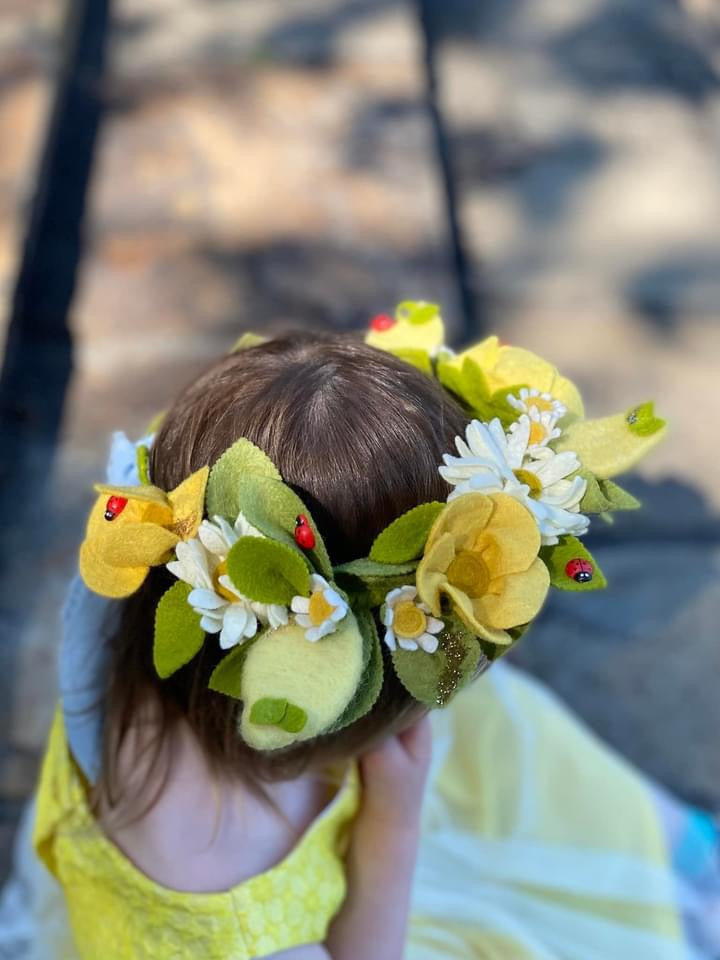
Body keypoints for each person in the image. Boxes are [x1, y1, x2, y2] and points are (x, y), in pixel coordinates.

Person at [16, 306, 720, 958]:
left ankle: (675, 854)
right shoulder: (228, 919)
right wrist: (393, 822)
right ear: (333, 686)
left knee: (504, 726)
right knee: (506, 752)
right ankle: (676, 865)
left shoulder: (139, 573)